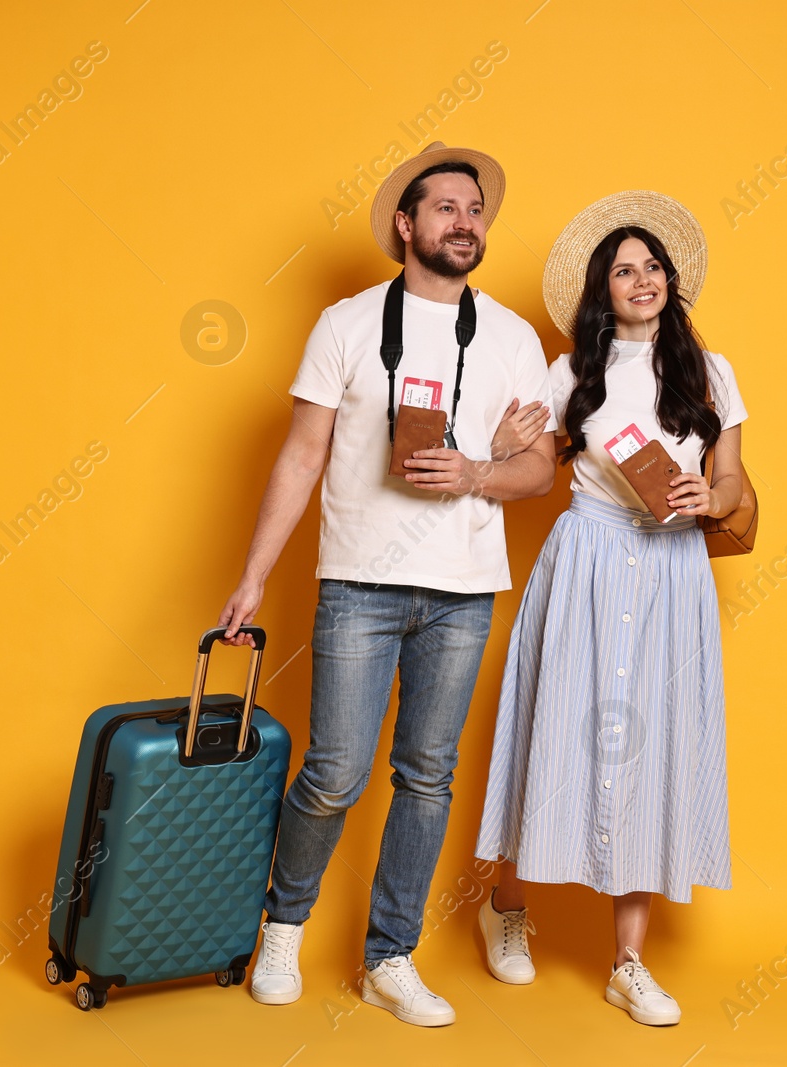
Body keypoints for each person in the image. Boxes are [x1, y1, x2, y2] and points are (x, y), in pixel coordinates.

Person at [216, 143, 559, 1027]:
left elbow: (541, 470)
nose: (465, 222)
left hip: (464, 588)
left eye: (475, 210)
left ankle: (389, 957)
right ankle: (282, 927)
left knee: (428, 776)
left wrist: (480, 472)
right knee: (334, 773)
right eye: (445, 208)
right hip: (359, 585)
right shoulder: (346, 323)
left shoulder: (515, 337)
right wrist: (253, 576)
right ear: (406, 227)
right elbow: (301, 454)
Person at [471, 191, 749, 1026]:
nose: (641, 279)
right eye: (623, 269)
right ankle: (505, 904)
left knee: (655, 744)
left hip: (672, 570)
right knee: (553, 726)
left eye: (652, 266)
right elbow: (527, 468)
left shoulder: (711, 370)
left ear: (672, 281)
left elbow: (737, 483)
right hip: (587, 561)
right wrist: (503, 441)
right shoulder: (569, 374)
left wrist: (710, 495)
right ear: (603, 288)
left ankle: (629, 960)